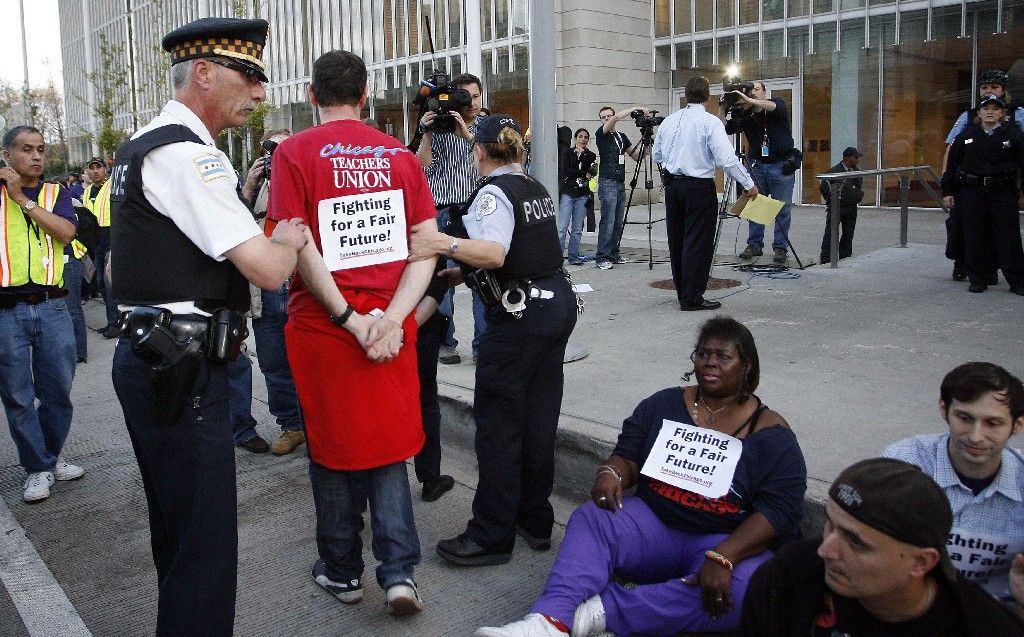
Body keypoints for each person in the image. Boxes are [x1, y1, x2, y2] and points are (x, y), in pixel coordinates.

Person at [108, 18, 309, 635]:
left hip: (155, 357)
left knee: (178, 534)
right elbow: (270, 272)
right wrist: (288, 235)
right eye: (247, 75)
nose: (258, 92)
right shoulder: (188, 154)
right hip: (185, 369)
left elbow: (125, 263)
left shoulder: (142, 144)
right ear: (203, 72)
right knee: (205, 550)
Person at [475, 316, 805, 636]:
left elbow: (778, 512)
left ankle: (599, 613)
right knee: (594, 518)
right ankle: (550, 621)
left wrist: (726, 555)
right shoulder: (663, 405)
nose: (710, 363)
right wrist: (611, 472)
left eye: (723, 356)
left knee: (753, 588)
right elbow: (629, 455)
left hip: (722, 540)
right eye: (703, 353)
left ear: (747, 366)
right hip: (653, 526)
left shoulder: (772, 434)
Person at [267, 49, 437, 617]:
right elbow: (426, 248)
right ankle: (399, 575)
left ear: (311, 95)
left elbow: (298, 244)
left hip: (326, 328)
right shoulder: (400, 156)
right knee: (387, 448)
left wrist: (350, 318)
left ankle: (341, 570)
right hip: (391, 324)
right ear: (366, 96)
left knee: (333, 446)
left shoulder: (292, 153)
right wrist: (391, 319)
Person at [408, 114, 578, 568]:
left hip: (519, 321)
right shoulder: (533, 186)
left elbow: (497, 251)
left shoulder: (491, 194)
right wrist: (464, 272)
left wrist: (442, 243)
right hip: (555, 308)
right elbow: (526, 248)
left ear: (479, 152)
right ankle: (534, 519)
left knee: (500, 427)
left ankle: (490, 534)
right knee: (539, 419)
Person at [740, 457, 1024, 636]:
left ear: (921, 562)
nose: (826, 550)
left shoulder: (982, 626)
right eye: (830, 525)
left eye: (855, 542)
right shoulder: (790, 574)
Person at [883, 362, 1024, 609]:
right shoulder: (903, 462)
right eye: (964, 418)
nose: (975, 436)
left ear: (1017, 426)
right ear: (944, 409)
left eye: (993, 424)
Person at [0, 125, 83, 503]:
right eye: (25, 149)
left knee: (57, 391)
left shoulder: (55, 193)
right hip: (7, 310)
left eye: (41, 149)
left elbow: (67, 233)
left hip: (52, 307)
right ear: (7, 155)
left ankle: (49, 458)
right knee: (17, 395)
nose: (35, 156)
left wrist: (23, 200)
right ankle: (37, 466)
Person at [653, 76, 758, 312]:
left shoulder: (669, 121)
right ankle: (692, 297)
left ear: (687, 95)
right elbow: (727, 159)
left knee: (677, 240)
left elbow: (657, 155)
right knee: (697, 243)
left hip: (673, 186)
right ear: (707, 97)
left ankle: (683, 291)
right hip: (698, 186)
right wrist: (748, 183)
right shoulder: (710, 122)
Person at [239, 129, 305, 456]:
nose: (276, 157)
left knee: (308, 362)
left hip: (299, 286)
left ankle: (314, 424)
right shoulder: (254, 187)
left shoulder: (304, 179)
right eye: (270, 152)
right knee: (273, 363)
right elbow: (233, 224)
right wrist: (250, 186)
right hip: (266, 287)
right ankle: (291, 425)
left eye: (283, 150)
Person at [418, 72, 486, 365]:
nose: (469, 102)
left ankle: (483, 345)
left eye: (474, 96)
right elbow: (423, 166)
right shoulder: (439, 124)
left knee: (479, 278)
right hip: (442, 209)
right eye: (463, 96)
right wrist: (426, 132)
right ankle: (446, 342)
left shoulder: (486, 127)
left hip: (476, 209)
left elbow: (493, 159)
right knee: (442, 281)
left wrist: (467, 134)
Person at [943, 69, 1024, 282]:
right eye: (984, 88)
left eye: (994, 87)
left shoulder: (1018, 115)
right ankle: (975, 273)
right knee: (969, 231)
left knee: (1006, 233)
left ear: (1004, 91)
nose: (989, 91)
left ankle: (1014, 278)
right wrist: (948, 187)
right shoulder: (968, 116)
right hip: (971, 187)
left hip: (1004, 187)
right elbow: (952, 152)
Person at [725, 81, 797, 266]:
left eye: (757, 90)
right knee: (756, 206)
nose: (753, 93)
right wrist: (722, 106)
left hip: (781, 165)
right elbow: (724, 128)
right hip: (757, 165)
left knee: (783, 208)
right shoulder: (746, 114)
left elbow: (772, 106)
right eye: (750, 91)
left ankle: (780, 248)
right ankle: (754, 245)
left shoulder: (776, 104)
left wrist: (749, 99)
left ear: (765, 92)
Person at [413, 259, 457, 502]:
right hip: (419, 322)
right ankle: (430, 477)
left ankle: (358, 497)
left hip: (372, 319)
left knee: (368, 406)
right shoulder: (421, 228)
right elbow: (437, 281)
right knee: (425, 402)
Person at [594, 105, 645, 269]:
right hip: (607, 181)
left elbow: (635, 156)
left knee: (617, 221)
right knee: (607, 220)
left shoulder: (621, 137)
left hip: (619, 182)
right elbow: (615, 119)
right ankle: (602, 257)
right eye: (604, 117)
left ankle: (613, 253)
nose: (607, 118)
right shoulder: (601, 134)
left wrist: (646, 149)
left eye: (609, 115)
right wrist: (634, 108)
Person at [818, 146, 864, 264]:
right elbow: (824, 186)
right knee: (831, 233)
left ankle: (845, 256)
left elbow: (858, 186)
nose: (858, 159)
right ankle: (826, 258)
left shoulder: (856, 171)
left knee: (848, 233)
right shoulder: (834, 171)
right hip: (837, 206)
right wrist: (832, 200)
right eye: (856, 157)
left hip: (851, 207)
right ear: (848, 158)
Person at [558, 128, 597, 265]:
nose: (583, 139)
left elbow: (592, 172)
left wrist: (583, 157)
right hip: (568, 193)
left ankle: (573, 256)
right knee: (562, 228)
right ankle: (557, 258)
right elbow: (566, 171)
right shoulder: (567, 153)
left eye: (586, 137)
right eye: (580, 137)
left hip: (582, 194)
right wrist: (581, 170)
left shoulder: (590, 155)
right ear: (575, 139)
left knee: (577, 229)